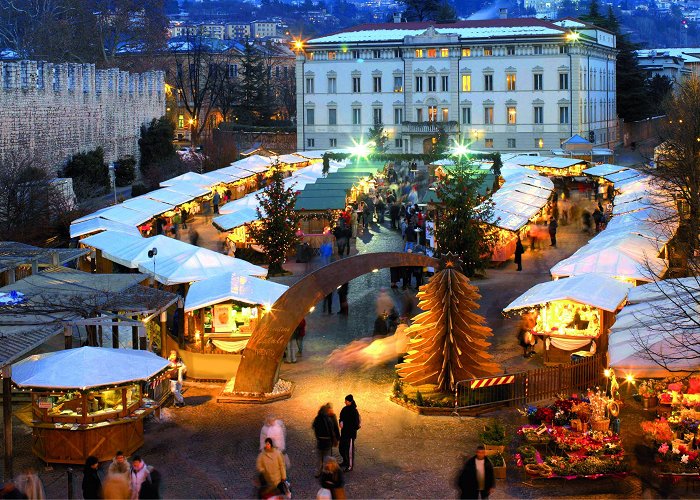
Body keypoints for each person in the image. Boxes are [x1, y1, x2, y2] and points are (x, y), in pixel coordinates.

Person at [312, 404, 339, 477]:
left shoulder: (317, 419)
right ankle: (326, 472)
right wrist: (334, 440)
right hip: (327, 442)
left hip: (320, 442)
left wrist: (318, 437)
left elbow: (314, 427)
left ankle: (318, 472)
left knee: (319, 457)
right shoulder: (328, 419)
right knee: (327, 457)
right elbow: (331, 431)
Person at [338, 395, 361, 472]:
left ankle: (350, 466)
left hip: (350, 435)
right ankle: (345, 461)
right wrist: (340, 421)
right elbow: (341, 417)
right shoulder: (344, 409)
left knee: (349, 451)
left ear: (350, 401)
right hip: (344, 433)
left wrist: (349, 428)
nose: (345, 402)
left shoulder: (354, 412)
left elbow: (357, 424)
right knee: (342, 448)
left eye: (346, 401)